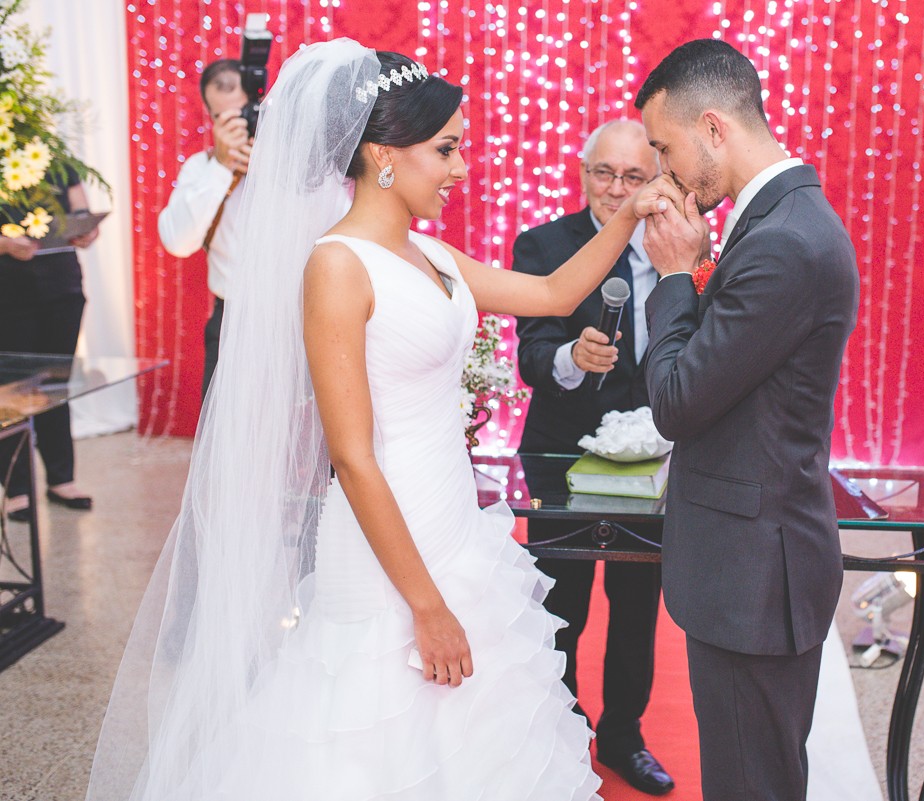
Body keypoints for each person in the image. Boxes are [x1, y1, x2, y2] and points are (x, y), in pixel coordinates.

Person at [86, 40, 673, 801]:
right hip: (381, 541)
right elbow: (353, 457)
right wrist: (426, 606)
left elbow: (558, 292)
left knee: (463, 733)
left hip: (451, 521)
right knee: (370, 724)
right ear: (383, 154)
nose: (462, 167)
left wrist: (629, 210)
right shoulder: (336, 266)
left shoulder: (432, 255)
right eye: (448, 149)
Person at [634, 40, 860, 800]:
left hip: (755, 576)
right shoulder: (779, 218)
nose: (665, 170)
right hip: (755, 562)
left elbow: (676, 401)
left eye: (665, 147)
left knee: (750, 784)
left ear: (713, 128)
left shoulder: (785, 242)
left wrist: (672, 275)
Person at [513, 119, 674, 795]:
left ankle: (622, 735)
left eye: (633, 176)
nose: (615, 189)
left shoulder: (677, 246)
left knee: (637, 609)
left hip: (653, 462)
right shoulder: (543, 244)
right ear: (583, 173)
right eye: (603, 173)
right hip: (562, 454)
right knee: (562, 606)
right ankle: (562, 730)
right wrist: (570, 359)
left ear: (655, 183)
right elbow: (530, 353)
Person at [0, 171, 100, 522]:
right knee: (11, 391)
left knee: (57, 383)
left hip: (61, 285)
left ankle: (61, 478)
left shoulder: (55, 158)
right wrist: (5, 244)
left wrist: (86, 228)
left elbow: (79, 206)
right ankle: (16, 488)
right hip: (8, 288)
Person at [157, 59, 252, 400]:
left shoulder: (302, 166)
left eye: (241, 113)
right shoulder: (201, 168)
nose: (234, 126)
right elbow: (178, 242)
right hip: (231, 319)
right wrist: (223, 167)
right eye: (221, 118)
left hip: (301, 318)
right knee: (223, 442)